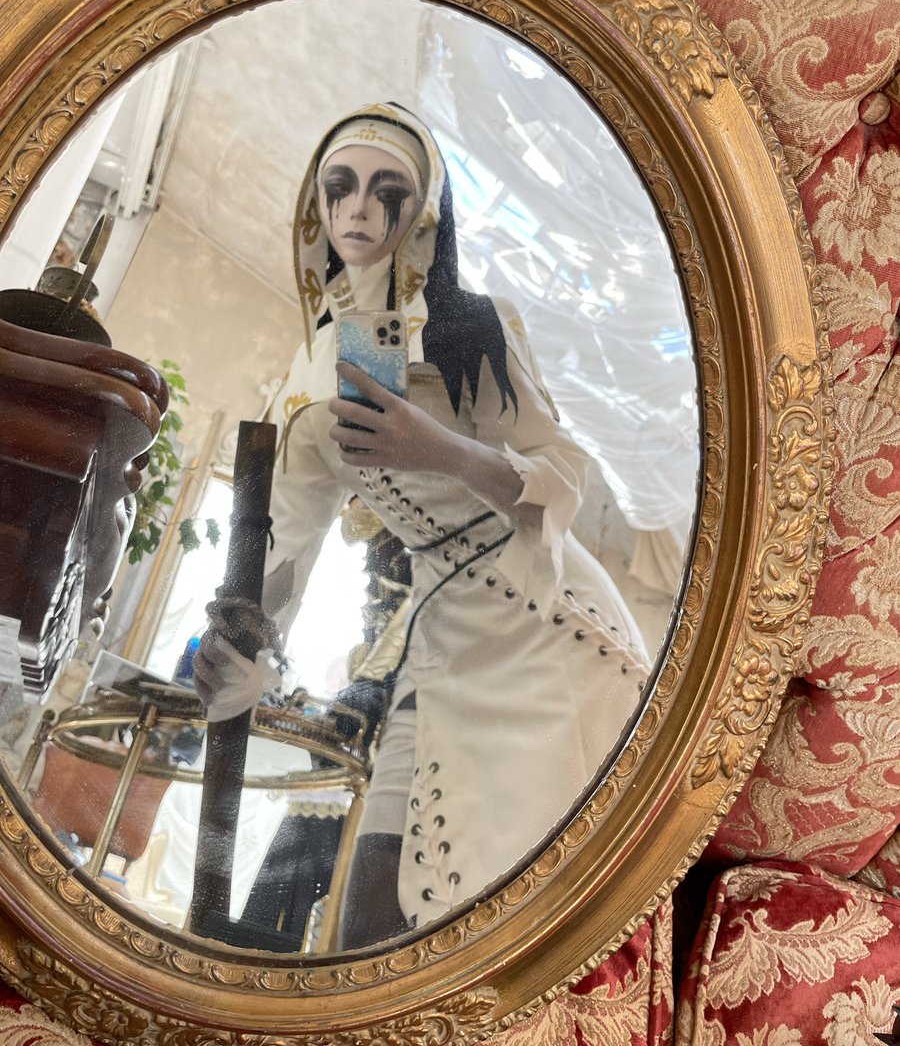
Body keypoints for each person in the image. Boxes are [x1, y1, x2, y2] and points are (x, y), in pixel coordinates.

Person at [194, 102, 650, 949]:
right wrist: (244, 646)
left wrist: (443, 451)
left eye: (386, 190)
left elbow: (565, 478)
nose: (358, 208)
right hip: (440, 640)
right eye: (339, 187)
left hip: (546, 630)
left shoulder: (474, 326)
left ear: (424, 210)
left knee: (517, 926)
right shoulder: (310, 361)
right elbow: (288, 539)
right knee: (372, 918)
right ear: (316, 206)